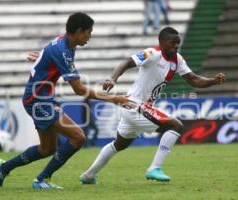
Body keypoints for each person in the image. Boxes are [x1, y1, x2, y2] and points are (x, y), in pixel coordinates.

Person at [0, 12, 135, 190]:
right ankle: (41, 180)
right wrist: (114, 99)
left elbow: (50, 55)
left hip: (41, 98)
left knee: (47, 149)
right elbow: (80, 90)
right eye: (88, 33)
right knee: (78, 137)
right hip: (37, 101)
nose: (89, 37)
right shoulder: (63, 51)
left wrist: (43, 58)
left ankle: (4, 168)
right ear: (77, 31)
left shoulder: (65, 44)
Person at [79, 27, 225, 184]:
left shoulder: (177, 60)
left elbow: (194, 79)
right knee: (175, 126)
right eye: (173, 43)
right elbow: (127, 62)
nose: (176, 46)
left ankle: (88, 175)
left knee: (119, 144)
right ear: (162, 42)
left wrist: (213, 81)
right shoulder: (152, 54)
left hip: (134, 108)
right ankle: (154, 168)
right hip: (134, 104)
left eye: (178, 43)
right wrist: (113, 78)